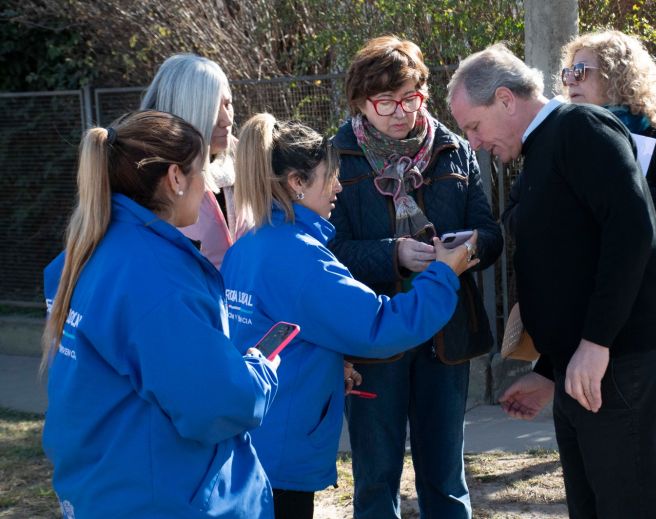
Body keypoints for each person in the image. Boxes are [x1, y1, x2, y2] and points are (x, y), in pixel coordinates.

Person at [448, 44, 656, 518]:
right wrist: (550, 372)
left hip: (623, 364)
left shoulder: (580, 128)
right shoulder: (542, 148)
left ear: (505, 99)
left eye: (473, 127)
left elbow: (632, 230)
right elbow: (572, 263)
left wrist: (596, 343)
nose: (472, 143)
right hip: (589, 369)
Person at [220, 113, 479, 519]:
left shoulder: (248, 245)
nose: (339, 186)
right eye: (330, 176)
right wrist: (445, 274)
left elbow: (275, 331)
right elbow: (380, 326)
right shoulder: (301, 257)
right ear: (297, 183)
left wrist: (327, 363)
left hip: (256, 435)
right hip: (285, 446)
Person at [41, 110, 279, 518]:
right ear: (175, 178)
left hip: (104, 482)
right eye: (203, 171)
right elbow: (219, 403)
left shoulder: (90, 247)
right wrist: (260, 370)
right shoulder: (157, 276)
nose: (208, 186)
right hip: (162, 493)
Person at [329, 35, 503, 519]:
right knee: (375, 474)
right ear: (361, 103)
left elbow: (491, 234)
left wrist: (467, 249)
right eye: (386, 102)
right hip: (373, 339)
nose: (401, 113)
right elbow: (330, 251)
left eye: (411, 98)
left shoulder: (454, 149)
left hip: (445, 335)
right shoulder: (336, 159)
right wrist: (395, 255)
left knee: (445, 476)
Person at [559, 29, 656, 348]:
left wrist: (604, 199)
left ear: (617, 76)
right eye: (567, 72)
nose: (570, 80)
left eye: (581, 71)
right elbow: (521, 211)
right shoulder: (563, 143)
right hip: (583, 314)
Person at [141, 53, 237, 268]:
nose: (227, 119)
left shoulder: (244, 158)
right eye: (213, 108)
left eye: (228, 104)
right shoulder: (147, 183)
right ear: (186, 110)